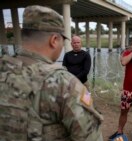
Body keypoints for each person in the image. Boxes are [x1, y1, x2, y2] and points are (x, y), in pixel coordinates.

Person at [0, 5, 103, 141]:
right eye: (63, 40)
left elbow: (85, 70)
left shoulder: (3, 68)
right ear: (54, 40)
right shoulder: (65, 85)